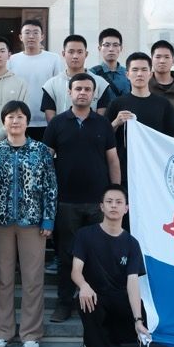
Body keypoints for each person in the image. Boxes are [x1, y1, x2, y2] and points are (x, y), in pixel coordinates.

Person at [44, 73, 120, 323]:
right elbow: (46, 161)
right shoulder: (57, 124)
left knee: (98, 255)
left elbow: (112, 160)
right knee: (66, 255)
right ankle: (64, 303)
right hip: (66, 201)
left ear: (94, 94)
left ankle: (97, 304)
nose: (83, 93)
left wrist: (115, 194)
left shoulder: (103, 124)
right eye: (78, 89)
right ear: (69, 92)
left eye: (88, 89)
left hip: (97, 202)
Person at [0, 100, 57, 347]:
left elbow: (50, 186)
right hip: (0, 222)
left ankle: (30, 333)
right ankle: (2, 332)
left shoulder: (40, 150)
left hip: (33, 223)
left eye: (20, 117)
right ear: (3, 122)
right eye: (10, 117)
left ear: (27, 121)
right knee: (3, 278)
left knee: (33, 279)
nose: (15, 121)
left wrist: (48, 218)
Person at [72, 186, 148, 347]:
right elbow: (75, 270)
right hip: (96, 298)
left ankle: (107, 338)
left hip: (119, 302)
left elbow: (133, 282)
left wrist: (138, 320)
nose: (114, 206)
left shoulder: (132, 244)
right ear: (101, 206)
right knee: (85, 300)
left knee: (144, 315)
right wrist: (83, 285)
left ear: (126, 209)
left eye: (119, 202)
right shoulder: (85, 235)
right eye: (109, 201)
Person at [106, 52, 174, 185]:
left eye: (144, 70)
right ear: (127, 74)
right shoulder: (117, 104)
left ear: (150, 74)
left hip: (156, 169)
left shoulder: (163, 104)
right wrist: (116, 123)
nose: (139, 74)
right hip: (126, 171)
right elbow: (104, 137)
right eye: (135, 70)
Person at [8, 18, 63, 140]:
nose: (31, 36)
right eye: (27, 32)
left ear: (42, 36)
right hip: (19, 119)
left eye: (35, 32)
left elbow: (58, 88)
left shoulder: (53, 59)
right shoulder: (12, 60)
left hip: (47, 120)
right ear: (20, 37)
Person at [41, 35, 113, 122]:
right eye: (71, 52)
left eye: (80, 52)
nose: (75, 56)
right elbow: (51, 122)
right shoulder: (51, 85)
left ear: (86, 54)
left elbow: (101, 121)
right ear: (63, 54)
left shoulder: (101, 84)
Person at [90, 28, 131, 97]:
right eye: (107, 45)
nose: (111, 49)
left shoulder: (128, 74)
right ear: (99, 48)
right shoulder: (92, 73)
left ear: (121, 48)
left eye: (115, 45)